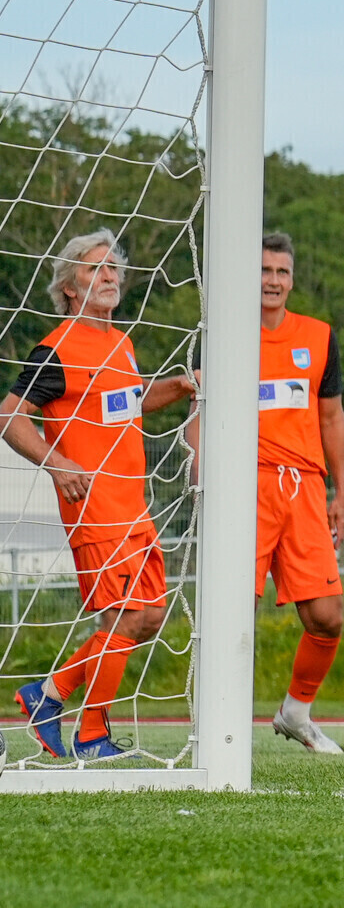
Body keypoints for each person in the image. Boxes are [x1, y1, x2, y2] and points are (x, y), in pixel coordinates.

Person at [4, 231, 195, 760]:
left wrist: (179, 386)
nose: (109, 275)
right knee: (123, 618)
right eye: (95, 268)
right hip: (93, 508)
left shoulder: (122, 344)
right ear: (69, 286)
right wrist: (57, 462)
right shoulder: (56, 348)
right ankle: (92, 735)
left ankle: (49, 694)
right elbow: (9, 416)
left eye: (113, 267)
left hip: (133, 505)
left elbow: (129, 402)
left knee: (149, 618)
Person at [248, 233, 344, 754]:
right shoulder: (227, 334)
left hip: (305, 488)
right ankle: (217, 727)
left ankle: (296, 712)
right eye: (264, 270)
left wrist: (342, 491)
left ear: (292, 279)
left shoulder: (318, 335)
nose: (272, 280)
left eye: (281, 272)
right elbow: (200, 408)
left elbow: (332, 417)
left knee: (327, 617)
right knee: (234, 614)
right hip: (246, 486)